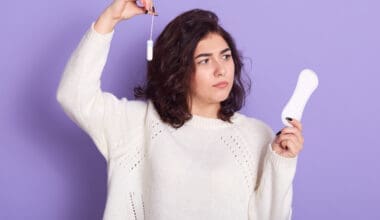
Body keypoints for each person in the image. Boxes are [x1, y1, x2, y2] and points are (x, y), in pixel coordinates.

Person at [56, 0, 304, 219]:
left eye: (225, 56)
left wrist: (281, 164)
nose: (221, 69)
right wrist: (110, 17)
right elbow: (74, 95)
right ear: (178, 70)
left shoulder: (257, 135)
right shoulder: (135, 124)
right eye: (205, 60)